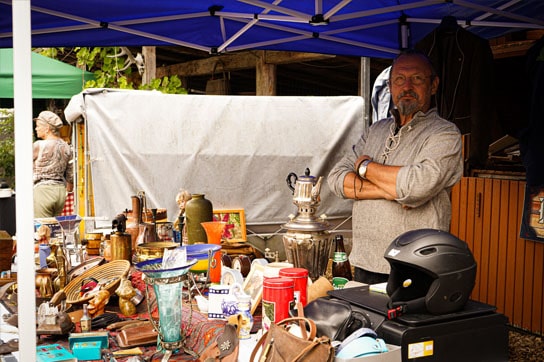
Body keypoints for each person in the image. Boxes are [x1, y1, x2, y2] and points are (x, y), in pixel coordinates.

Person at [327, 49, 463, 285]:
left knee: (407, 323)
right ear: (390, 86)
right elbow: (336, 179)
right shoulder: (376, 130)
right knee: (365, 323)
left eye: (417, 79)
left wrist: (365, 167)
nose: (407, 86)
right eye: (399, 79)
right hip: (365, 261)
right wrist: (393, 191)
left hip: (416, 266)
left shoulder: (444, 133)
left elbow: (416, 187)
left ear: (433, 85)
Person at [33, 110, 74, 218]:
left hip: (43, 190)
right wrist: (68, 190)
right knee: (54, 229)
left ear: (47, 128)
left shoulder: (39, 145)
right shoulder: (66, 146)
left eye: (38, 126)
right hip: (60, 191)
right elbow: (70, 174)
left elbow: (24, 167)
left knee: (41, 229)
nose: (36, 129)